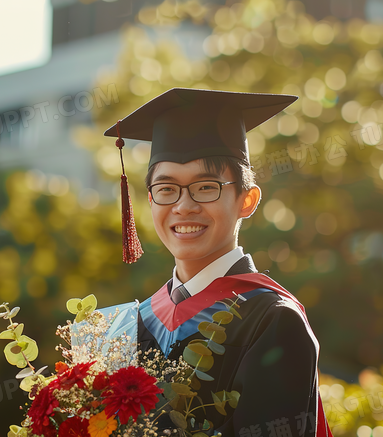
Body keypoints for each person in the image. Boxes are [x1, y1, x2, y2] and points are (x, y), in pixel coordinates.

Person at [104, 88, 332, 437]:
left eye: (206, 187)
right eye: (166, 189)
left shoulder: (272, 320)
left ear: (247, 200)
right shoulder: (126, 327)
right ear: (148, 200)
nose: (184, 206)